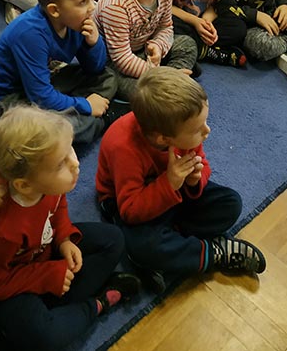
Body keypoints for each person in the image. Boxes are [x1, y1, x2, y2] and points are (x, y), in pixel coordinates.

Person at [0, 106, 140, 351]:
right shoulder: (1, 230)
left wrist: (64, 238)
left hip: (42, 252)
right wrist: (47, 276)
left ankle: (56, 303)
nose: (75, 164)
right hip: (7, 286)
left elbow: (58, 206)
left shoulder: (44, 185)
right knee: (45, 338)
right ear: (24, 185)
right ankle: (98, 304)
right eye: (60, 164)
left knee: (113, 239)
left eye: (70, 150)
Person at [96, 70, 266, 285]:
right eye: (198, 129)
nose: (207, 131)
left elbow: (202, 164)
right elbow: (130, 211)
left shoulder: (182, 131)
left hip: (171, 189)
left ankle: (169, 246)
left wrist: (194, 181)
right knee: (143, 246)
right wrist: (169, 183)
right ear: (164, 139)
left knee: (230, 203)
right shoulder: (123, 147)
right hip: (127, 201)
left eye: (205, 121)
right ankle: (211, 253)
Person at [0, 0, 118, 144]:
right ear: (55, 10)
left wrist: (93, 43)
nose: (93, 7)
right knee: (39, 134)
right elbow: (41, 98)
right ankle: (102, 118)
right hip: (15, 97)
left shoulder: (76, 20)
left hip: (50, 78)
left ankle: (84, 112)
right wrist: (86, 105)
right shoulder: (29, 34)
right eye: (83, 1)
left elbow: (95, 69)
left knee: (108, 77)